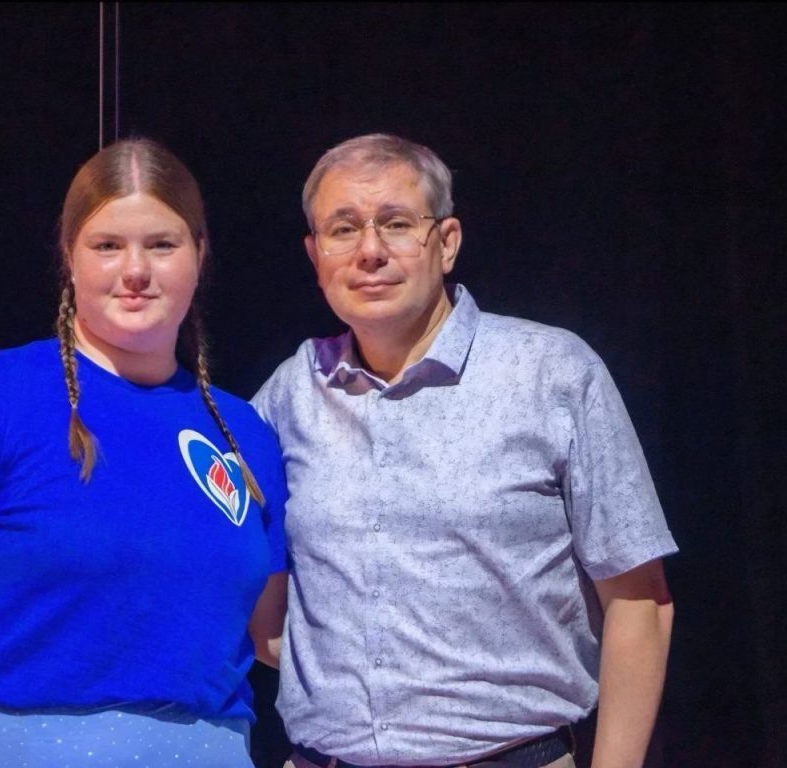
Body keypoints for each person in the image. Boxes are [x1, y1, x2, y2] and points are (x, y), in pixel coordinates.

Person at [0, 138, 289, 768]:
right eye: (107, 245)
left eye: (162, 245)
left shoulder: (244, 433)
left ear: (200, 254)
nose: (135, 270)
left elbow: (277, 637)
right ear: (70, 257)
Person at [251, 133, 677, 768]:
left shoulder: (550, 372)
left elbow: (639, 601)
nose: (370, 251)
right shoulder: (291, 392)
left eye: (397, 224)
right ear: (315, 255)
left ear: (447, 242)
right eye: (343, 229)